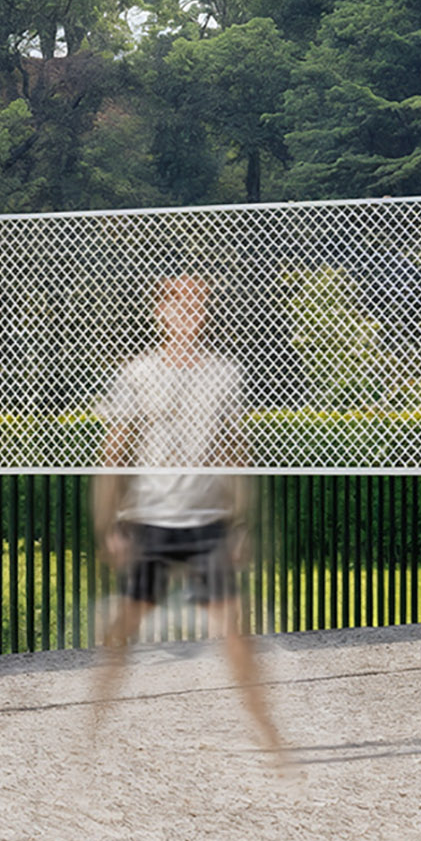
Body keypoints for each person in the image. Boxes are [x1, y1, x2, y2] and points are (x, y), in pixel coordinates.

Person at [86, 272, 289, 756]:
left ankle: (268, 735)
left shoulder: (224, 374)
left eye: (197, 304)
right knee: (121, 633)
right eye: (179, 303)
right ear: (161, 312)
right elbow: (114, 452)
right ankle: (90, 729)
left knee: (235, 635)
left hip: (208, 523)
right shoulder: (137, 374)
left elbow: (236, 452)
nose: (188, 312)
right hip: (151, 522)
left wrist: (241, 523)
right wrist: (110, 523)